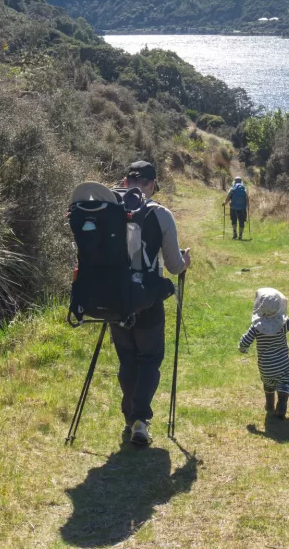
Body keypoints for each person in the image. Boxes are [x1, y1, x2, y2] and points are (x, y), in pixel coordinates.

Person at [113, 161, 191, 446]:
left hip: (115, 300)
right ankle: (140, 420)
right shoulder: (160, 214)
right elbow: (173, 266)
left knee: (127, 358)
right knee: (149, 359)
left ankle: (130, 412)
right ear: (153, 184)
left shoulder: (108, 210)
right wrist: (186, 262)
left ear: (125, 182)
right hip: (146, 301)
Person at [238, 288, 289, 420]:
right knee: (284, 382)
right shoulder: (283, 325)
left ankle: (269, 404)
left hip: (265, 367)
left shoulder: (256, 327)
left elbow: (246, 340)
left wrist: (243, 348)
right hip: (282, 365)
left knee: (268, 383)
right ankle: (281, 404)